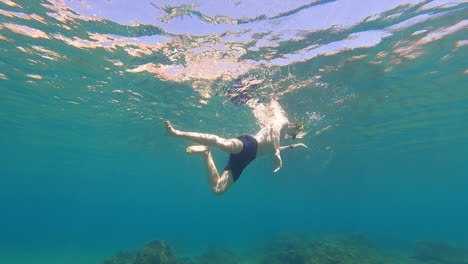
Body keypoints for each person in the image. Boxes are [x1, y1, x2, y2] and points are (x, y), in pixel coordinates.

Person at [164, 100, 308, 195]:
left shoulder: (281, 139)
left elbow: (271, 147)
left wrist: (290, 146)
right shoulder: (283, 122)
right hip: (249, 144)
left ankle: (206, 153)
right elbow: (274, 131)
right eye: (296, 134)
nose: (293, 136)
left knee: (218, 190)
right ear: (295, 127)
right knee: (222, 143)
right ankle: (176, 133)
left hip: (247, 159)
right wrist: (277, 152)